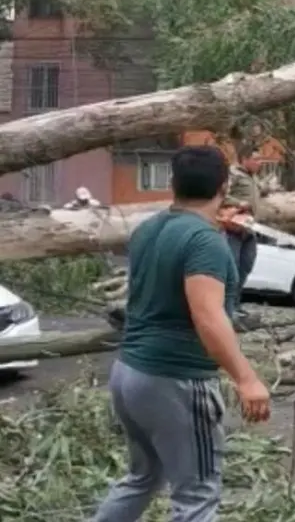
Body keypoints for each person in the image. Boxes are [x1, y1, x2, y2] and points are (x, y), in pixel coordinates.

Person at [91, 145, 271, 522]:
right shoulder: (205, 242)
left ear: (172, 183)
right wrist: (247, 378)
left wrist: (228, 237)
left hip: (129, 373)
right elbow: (208, 316)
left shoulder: (148, 230)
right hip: (176, 379)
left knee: (143, 477)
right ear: (224, 187)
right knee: (197, 497)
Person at [223, 149, 268, 317]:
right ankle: (227, 307)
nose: (260, 162)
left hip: (249, 229)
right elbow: (222, 195)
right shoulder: (232, 174)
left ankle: (236, 303)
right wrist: (239, 203)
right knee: (232, 269)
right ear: (244, 159)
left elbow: (256, 193)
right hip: (233, 228)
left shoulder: (253, 177)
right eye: (256, 159)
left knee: (246, 266)